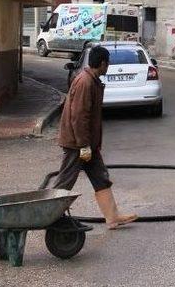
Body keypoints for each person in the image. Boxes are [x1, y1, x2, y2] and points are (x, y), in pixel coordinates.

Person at [53, 46, 138, 229]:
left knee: (100, 176)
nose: (108, 67)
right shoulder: (86, 83)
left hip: (87, 143)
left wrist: (90, 145)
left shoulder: (91, 80)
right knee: (66, 180)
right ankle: (49, 215)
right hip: (77, 143)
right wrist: (83, 145)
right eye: (108, 64)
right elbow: (79, 116)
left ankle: (112, 217)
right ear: (102, 63)